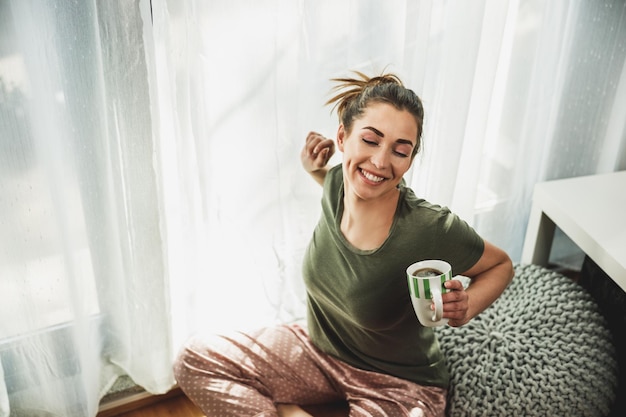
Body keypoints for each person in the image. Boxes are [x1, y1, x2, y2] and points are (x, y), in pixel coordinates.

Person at [173, 71, 514, 417]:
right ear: (342, 137)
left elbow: (501, 265)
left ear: (410, 160)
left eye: (400, 150)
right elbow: (338, 179)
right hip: (319, 352)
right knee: (194, 360)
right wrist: (311, 168)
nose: (381, 162)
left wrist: (467, 304)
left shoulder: (429, 227)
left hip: (398, 383)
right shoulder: (337, 183)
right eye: (370, 140)